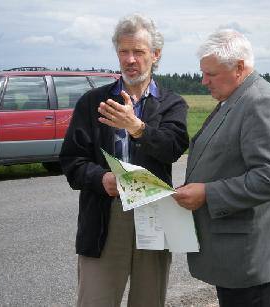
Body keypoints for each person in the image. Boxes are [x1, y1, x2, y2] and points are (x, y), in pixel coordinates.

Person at [59, 13, 189, 307]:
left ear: (155, 55)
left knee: (148, 300)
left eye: (139, 52)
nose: (130, 59)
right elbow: (71, 161)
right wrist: (101, 179)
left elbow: (173, 147)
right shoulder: (93, 102)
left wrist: (137, 128)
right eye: (124, 51)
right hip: (105, 217)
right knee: (96, 300)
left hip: (154, 215)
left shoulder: (171, 104)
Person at [173, 29, 270, 307]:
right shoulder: (236, 97)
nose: (204, 81)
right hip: (237, 256)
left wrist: (207, 193)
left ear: (239, 67)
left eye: (211, 74)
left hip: (253, 259)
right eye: (203, 73)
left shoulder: (260, 101)